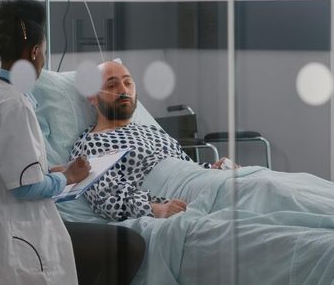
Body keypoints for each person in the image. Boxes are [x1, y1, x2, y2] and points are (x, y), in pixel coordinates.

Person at [0, 0, 91, 285]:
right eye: (45, 52)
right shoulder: (14, 106)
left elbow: (0, 172)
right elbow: (25, 188)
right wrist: (69, 178)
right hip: (13, 249)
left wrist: (54, 170)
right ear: (36, 51)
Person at [70, 60, 234, 221]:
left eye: (128, 83)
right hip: (177, 193)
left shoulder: (152, 131)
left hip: (201, 180)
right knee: (252, 190)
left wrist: (213, 168)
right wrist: (156, 209)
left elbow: (186, 166)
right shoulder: (91, 143)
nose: (124, 90)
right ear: (92, 97)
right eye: (112, 86)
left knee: (252, 182)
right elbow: (104, 198)